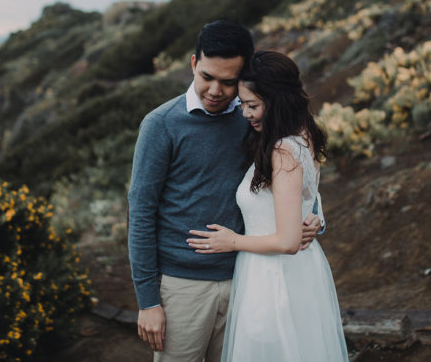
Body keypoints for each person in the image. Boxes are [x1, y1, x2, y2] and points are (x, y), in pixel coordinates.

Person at [128, 21, 323, 361]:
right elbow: (141, 212)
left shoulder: (254, 117)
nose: (215, 90)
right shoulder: (161, 125)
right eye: (206, 76)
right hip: (182, 286)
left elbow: (294, 177)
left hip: (248, 279)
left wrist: (316, 219)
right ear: (193, 64)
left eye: (228, 81)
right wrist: (148, 301)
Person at [187, 50, 349, 361]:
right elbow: (307, 195)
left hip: (276, 275)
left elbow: (288, 242)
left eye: (252, 105)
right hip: (291, 271)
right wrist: (316, 217)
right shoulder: (302, 135)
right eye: (243, 104)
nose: (245, 113)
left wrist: (232, 241)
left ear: (276, 102)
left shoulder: (283, 150)